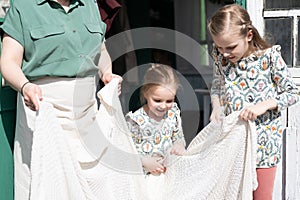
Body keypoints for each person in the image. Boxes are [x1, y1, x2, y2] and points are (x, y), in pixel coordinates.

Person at [0, 0, 121, 199]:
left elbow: (100, 48)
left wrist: (106, 73)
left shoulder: (89, 4)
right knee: (49, 185)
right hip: (43, 111)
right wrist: (25, 86)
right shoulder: (24, 7)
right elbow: (8, 61)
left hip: (87, 113)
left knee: (93, 184)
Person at [207, 4, 300, 200]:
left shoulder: (269, 58)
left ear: (248, 35)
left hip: (263, 145)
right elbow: (217, 86)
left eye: (231, 47)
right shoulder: (221, 59)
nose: (225, 53)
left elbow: (293, 92)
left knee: (261, 197)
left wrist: (264, 105)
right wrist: (216, 106)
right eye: (220, 47)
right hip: (234, 142)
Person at [125, 64, 186, 199]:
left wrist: (179, 144)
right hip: (144, 179)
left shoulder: (173, 113)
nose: (164, 106)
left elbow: (178, 136)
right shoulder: (136, 120)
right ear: (146, 93)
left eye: (169, 100)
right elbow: (126, 150)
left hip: (168, 175)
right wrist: (144, 162)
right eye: (157, 100)